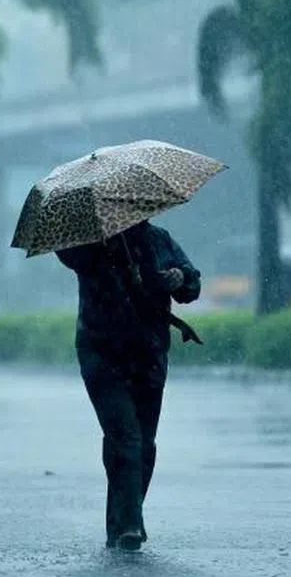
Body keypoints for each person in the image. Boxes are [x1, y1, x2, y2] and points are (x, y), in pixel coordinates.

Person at [55, 219, 201, 551]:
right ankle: (130, 524)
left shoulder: (159, 239)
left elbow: (191, 285)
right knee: (126, 436)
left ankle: (120, 521)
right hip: (101, 354)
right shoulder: (90, 242)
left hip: (149, 354)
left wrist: (180, 278)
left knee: (143, 444)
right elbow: (67, 255)